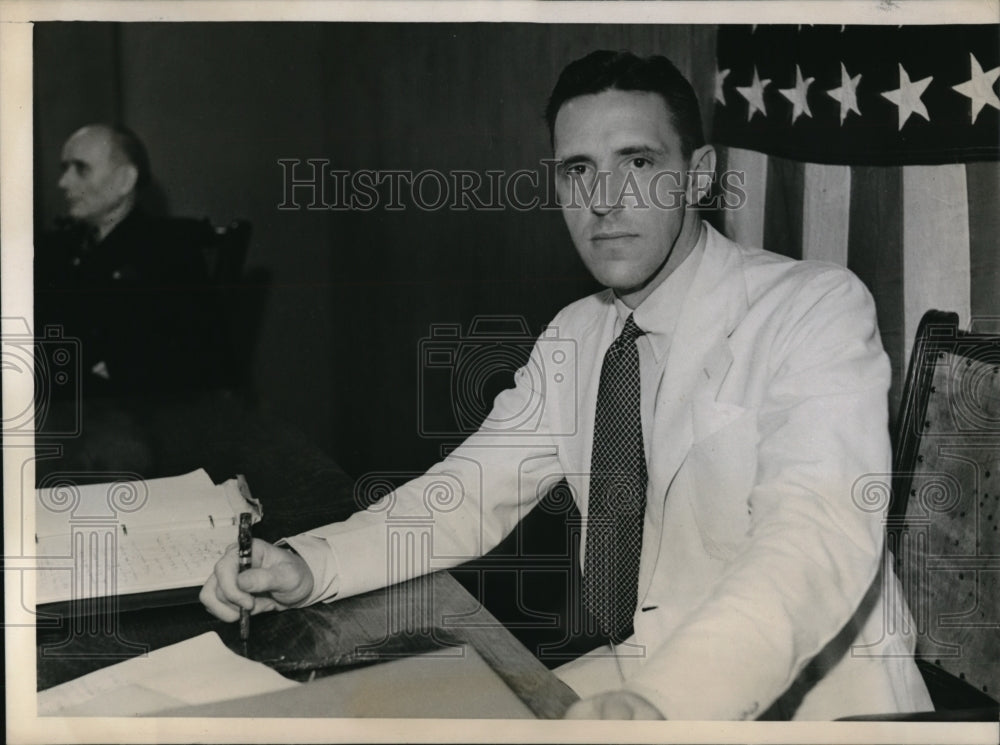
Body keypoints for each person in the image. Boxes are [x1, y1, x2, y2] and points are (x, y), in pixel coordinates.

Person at [200, 51, 932, 720]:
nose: (603, 199)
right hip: (632, 677)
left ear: (700, 174)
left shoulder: (813, 307)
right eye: (577, 169)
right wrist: (308, 565)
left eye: (638, 161)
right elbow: (462, 497)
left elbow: (813, 538)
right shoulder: (578, 334)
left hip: (806, 705)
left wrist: (662, 699)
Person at [35, 123, 227, 400]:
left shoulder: (170, 251)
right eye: (64, 168)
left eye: (81, 168)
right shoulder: (55, 249)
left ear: (125, 180)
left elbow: (200, 361)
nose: (64, 182)